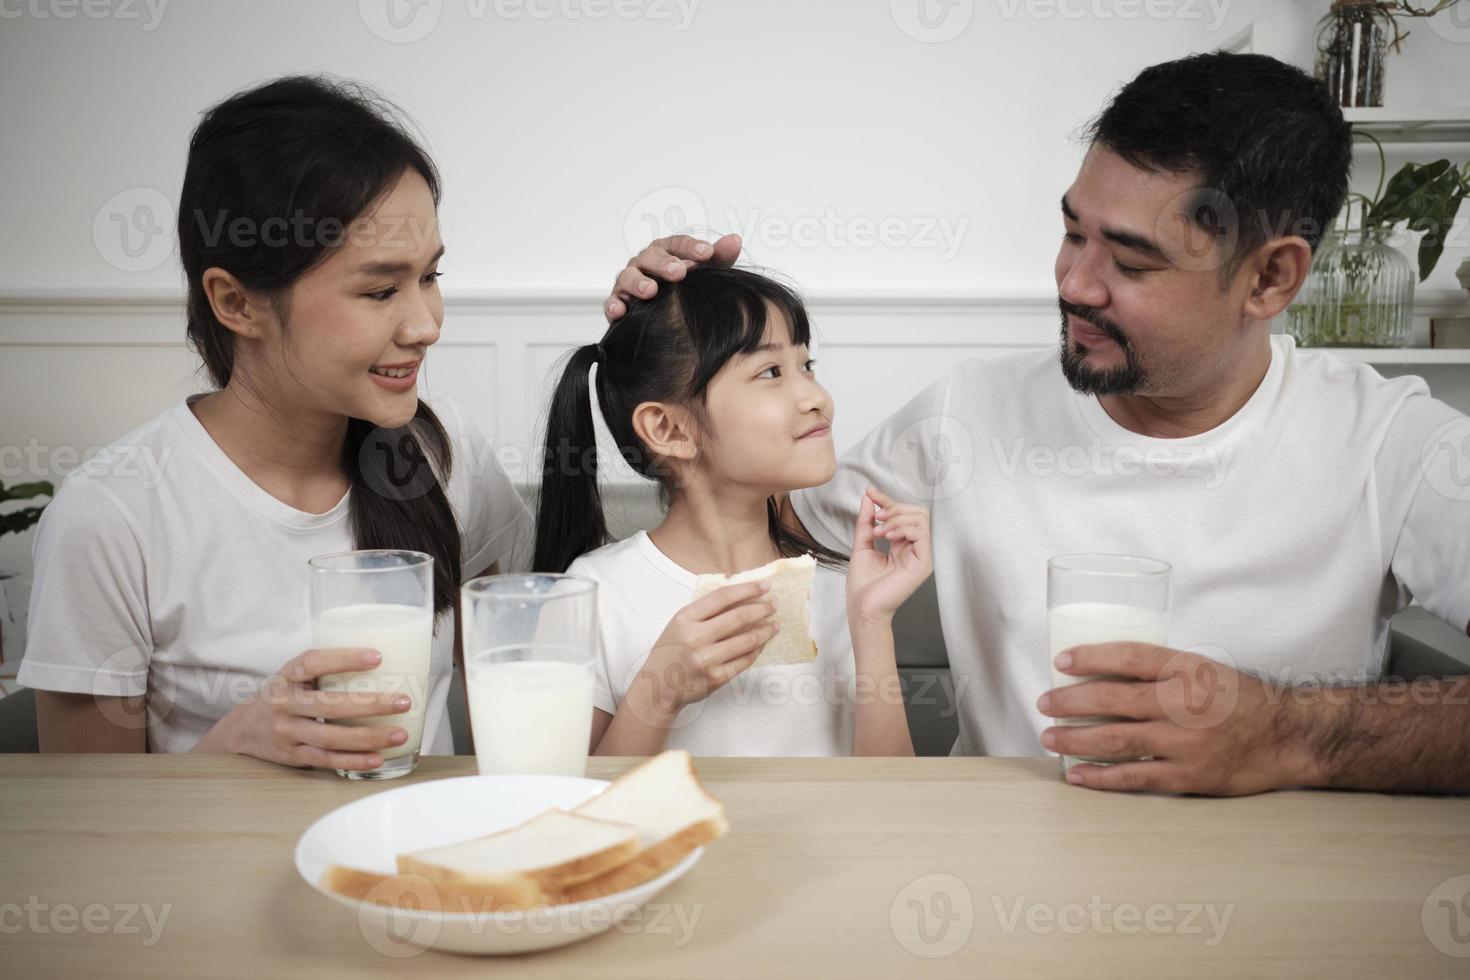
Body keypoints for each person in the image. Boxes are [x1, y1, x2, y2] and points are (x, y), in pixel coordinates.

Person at [603, 53, 1470, 795]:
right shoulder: (966, 418)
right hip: (999, 883)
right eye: (1070, 232)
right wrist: (665, 333)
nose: (1074, 283)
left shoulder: (1392, 445)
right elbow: (746, 521)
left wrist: (1290, 732)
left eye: (1131, 260)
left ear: (1271, 280)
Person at [20, 76, 531, 771]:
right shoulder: (111, 517)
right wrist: (234, 744)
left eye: (430, 277)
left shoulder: (444, 455)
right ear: (236, 303)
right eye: (380, 290)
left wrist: (658, 335)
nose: (425, 324)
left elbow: (526, 718)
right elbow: (81, 829)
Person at [535, 265, 930, 756]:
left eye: (807, 366)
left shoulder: (842, 587)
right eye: (770, 372)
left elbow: (890, 802)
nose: (817, 398)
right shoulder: (593, 596)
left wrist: (871, 623)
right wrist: (660, 689)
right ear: (669, 429)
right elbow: (570, 804)